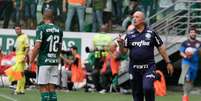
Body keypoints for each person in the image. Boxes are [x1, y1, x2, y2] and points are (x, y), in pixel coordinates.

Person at [117, 11, 174, 101]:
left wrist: (168, 62)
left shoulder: (151, 33)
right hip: (134, 68)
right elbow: (124, 52)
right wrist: (120, 44)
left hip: (149, 67)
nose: (134, 19)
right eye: (133, 17)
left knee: (148, 88)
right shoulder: (129, 35)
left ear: (143, 20)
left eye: (137, 17)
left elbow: (161, 48)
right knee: (137, 95)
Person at [30, 9, 63, 101]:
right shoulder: (59, 30)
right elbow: (59, 47)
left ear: (43, 17)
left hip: (44, 61)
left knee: (43, 87)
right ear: (53, 18)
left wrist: (31, 61)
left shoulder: (41, 28)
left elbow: (37, 46)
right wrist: (56, 58)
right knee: (52, 88)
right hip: (54, 62)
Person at [178, 27, 201, 101]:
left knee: (191, 80)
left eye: (194, 32)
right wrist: (186, 56)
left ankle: (187, 93)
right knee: (186, 78)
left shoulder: (199, 43)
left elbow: (200, 53)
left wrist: (197, 52)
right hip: (186, 62)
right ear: (189, 33)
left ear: (196, 33)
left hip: (195, 63)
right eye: (191, 32)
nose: (193, 33)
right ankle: (185, 96)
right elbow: (181, 52)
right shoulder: (185, 43)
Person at [11, 25, 29, 94]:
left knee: (18, 73)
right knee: (22, 74)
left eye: (18, 29)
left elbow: (27, 47)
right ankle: (22, 90)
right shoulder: (18, 37)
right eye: (16, 29)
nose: (17, 30)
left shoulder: (24, 36)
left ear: (21, 29)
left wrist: (24, 56)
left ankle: (17, 90)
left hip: (21, 56)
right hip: (17, 56)